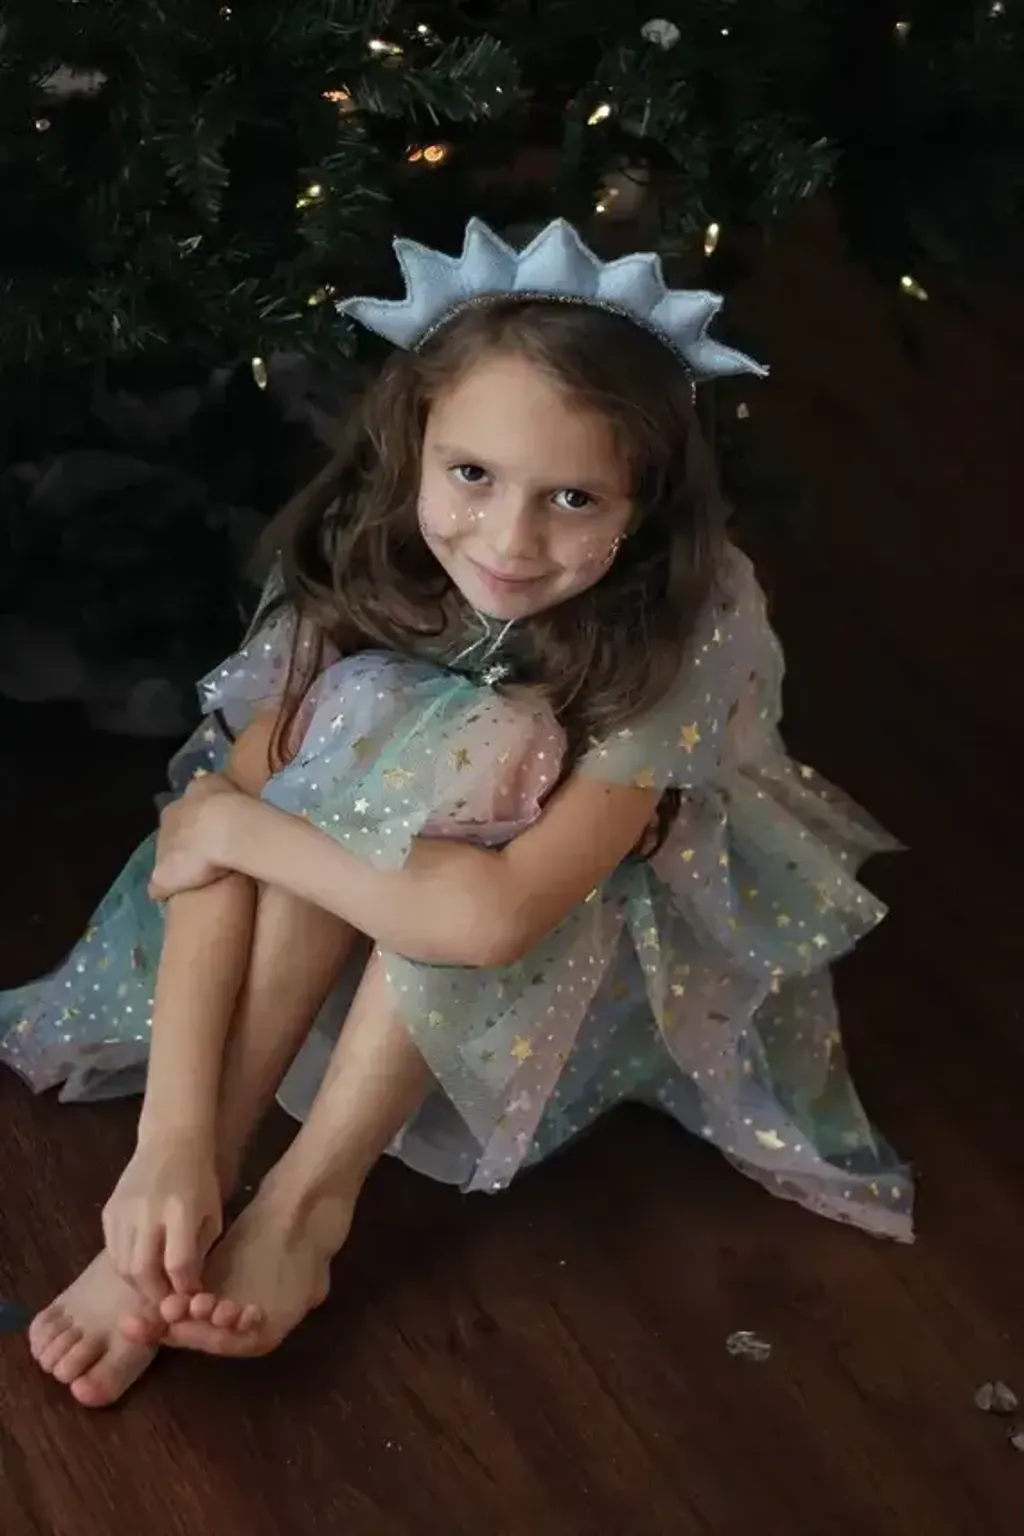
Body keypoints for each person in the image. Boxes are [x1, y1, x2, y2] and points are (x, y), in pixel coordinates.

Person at [0, 218, 912, 1409]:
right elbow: (203, 852)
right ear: (414, 443)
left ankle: (309, 1201)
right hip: (377, 899)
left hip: (564, 939)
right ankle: (198, 1187)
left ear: (643, 506)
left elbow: (493, 921)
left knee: (485, 749)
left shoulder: (684, 619)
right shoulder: (370, 539)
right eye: (471, 474)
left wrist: (246, 828)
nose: (510, 541)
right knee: (366, 747)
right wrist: (170, 1143)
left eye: (573, 497)